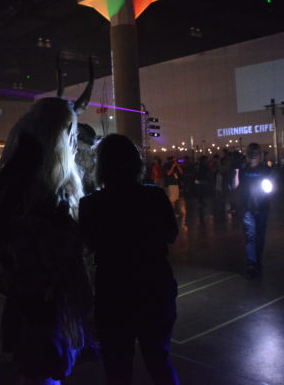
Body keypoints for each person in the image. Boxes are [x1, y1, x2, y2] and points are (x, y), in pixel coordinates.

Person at [0, 96, 93, 385]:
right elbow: (56, 253)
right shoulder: (41, 192)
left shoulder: (17, 182)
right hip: (44, 299)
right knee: (43, 369)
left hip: (31, 297)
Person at [79, 134, 179, 385]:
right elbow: (171, 234)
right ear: (135, 162)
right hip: (155, 287)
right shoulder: (154, 196)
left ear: (101, 166)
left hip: (113, 292)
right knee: (159, 361)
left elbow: (87, 245)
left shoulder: (90, 204)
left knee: (117, 369)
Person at [232, 143, 274, 279]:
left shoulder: (266, 170)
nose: (253, 155)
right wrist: (237, 170)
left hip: (262, 207)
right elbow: (235, 185)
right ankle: (252, 263)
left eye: (255, 152)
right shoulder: (243, 170)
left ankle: (257, 261)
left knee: (259, 236)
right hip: (247, 208)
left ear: (260, 155)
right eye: (251, 152)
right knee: (250, 236)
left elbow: (271, 187)